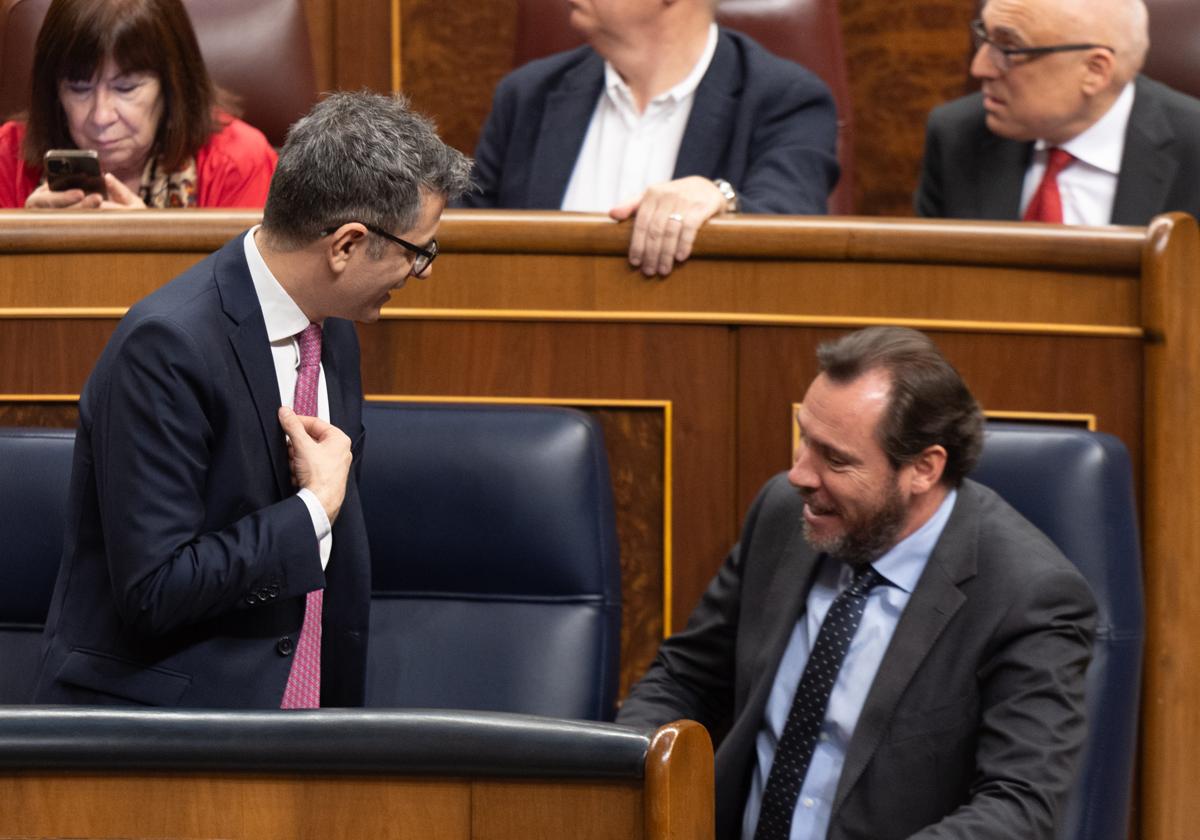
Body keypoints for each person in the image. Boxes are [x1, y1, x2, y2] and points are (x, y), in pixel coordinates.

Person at [32, 92, 471, 708]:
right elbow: (156, 588)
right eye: (417, 251)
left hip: (302, 723)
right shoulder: (166, 347)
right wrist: (313, 507)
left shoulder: (335, 327)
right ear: (345, 245)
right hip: (160, 734)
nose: (421, 272)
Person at [616, 326, 1097, 839]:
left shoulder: (1029, 596)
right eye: (805, 439)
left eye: (836, 459)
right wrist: (615, 780)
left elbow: (1019, 808)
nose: (799, 474)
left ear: (924, 469)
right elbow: (686, 677)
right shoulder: (785, 515)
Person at [461, 0, 839, 277]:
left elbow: (794, 227)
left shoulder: (787, 99)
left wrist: (721, 198)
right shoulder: (528, 95)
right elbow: (466, 240)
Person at [916, 0, 1200, 225]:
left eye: (1008, 49)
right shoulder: (957, 135)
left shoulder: (1193, 149)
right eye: (984, 38)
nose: (979, 68)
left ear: (1094, 71)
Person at [0, 0, 279, 210]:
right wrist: (22, 248)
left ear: (172, 87)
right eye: (78, 88)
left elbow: (245, 287)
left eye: (126, 88)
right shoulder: (8, 156)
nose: (101, 116)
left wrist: (149, 247)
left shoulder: (239, 162)